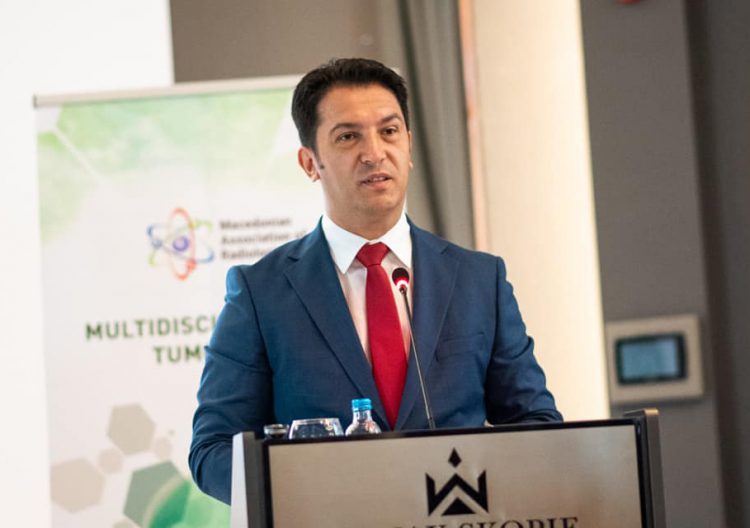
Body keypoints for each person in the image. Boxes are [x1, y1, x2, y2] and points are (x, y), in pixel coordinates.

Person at [189, 58, 562, 504]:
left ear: (410, 146)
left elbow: (537, 426)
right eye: (348, 137)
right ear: (309, 163)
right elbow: (212, 452)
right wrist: (307, 491)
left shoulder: (479, 281)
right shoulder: (260, 293)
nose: (374, 153)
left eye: (389, 131)